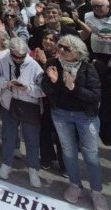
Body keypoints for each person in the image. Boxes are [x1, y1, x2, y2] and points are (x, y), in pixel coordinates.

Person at [41, 35, 106, 209]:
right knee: (68, 152)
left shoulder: (87, 68)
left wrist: (74, 88)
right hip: (61, 114)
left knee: (90, 154)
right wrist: (54, 83)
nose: (61, 50)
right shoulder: (52, 63)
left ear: (77, 52)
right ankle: (75, 184)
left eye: (66, 49)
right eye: (60, 46)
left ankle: (96, 191)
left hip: (85, 116)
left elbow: (95, 95)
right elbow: (46, 87)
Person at [0, 37, 45, 188]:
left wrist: (27, 89)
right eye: (15, 56)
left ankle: (33, 169)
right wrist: (6, 83)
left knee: (31, 139)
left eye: (21, 57)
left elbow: (43, 90)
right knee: (8, 135)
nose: (18, 60)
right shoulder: (2, 60)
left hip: (29, 105)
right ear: (10, 52)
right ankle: (6, 163)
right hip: (8, 103)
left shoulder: (35, 66)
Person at [30, 30, 65, 176]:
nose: (48, 41)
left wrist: (45, 63)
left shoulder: (61, 57)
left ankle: (65, 165)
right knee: (43, 130)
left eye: (52, 39)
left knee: (59, 134)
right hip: (39, 98)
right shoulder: (33, 54)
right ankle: (46, 157)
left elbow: (57, 81)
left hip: (56, 100)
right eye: (45, 38)